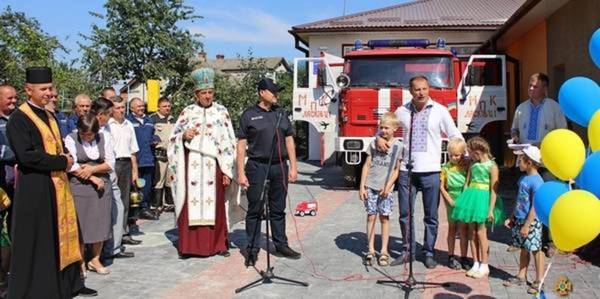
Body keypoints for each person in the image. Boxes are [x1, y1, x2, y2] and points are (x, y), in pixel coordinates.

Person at [6, 66, 96, 297]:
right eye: (43, 89)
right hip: (36, 187)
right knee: (41, 239)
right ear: (28, 90)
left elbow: (60, 145)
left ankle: (68, 284)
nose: (48, 93)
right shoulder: (19, 118)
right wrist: (61, 161)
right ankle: (40, 289)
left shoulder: (49, 115)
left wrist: (65, 156)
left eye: (50, 88)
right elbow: (26, 155)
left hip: (57, 184)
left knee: (61, 235)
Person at [378, 76, 463, 269]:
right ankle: (407, 250)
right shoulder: (403, 111)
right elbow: (386, 126)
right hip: (407, 170)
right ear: (410, 91)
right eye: (417, 89)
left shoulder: (440, 111)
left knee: (431, 215)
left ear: (429, 89)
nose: (421, 93)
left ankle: (429, 252)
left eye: (424, 88)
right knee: (405, 213)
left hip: (432, 171)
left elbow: (454, 134)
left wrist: (464, 156)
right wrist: (378, 138)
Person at [168, 67, 237, 258]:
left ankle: (219, 245)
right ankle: (188, 247)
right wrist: (183, 136)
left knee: (216, 206)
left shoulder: (221, 112)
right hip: (191, 168)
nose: (207, 96)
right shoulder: (187, 112)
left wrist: (227, 171)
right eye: (203, 93)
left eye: (210, 92)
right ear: (196, 94)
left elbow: (229, 142)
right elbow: (172, 139)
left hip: (214, 168)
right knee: (189, 205)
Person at [237, 77, 301, 267]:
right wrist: (241, 172)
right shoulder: (248, 115)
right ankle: (252, 249)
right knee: (255, 209)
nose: (276, 95)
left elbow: (289, 140)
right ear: (262, 92)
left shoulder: (281, 113)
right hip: (257, 167)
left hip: (279, 166)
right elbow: (241, 146)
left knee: (278, 209)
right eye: (273, 91)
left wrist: (294, 166)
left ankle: (281, 245)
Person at [510, 73, 566, 257]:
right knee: (525, 199)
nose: (531, 89)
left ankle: (550, 241)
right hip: (528, 163)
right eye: (530, 85)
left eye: (535, 86)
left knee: (549, 199)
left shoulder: (554, 108)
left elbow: (562, 134)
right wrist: (516, 137)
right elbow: (515, 128)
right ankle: (522, 237)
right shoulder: (521, 108)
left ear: (545, 89)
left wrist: (545, 144)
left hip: (547, 162)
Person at [65, 114, 115, 275]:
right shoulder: (70, 138)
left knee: (100, 222)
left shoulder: (105, 138)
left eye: (90, 135)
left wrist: (92, 169)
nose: (87, 137)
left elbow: (110, 163)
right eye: (84, 134)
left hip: (102, 186)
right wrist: (92, 177)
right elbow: (72, 165)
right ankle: (80, 260)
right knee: (82, 223)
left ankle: (95, 258)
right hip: (80, 186)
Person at [451, 137, 504, 279]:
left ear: (478, 152)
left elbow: (494, 189)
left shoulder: (492, 166)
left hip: (483, 200)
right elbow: (467, 183)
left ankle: (485, 265)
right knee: (471, 232)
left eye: (470, 152)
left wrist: (491, 209)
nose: (469, 155)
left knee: (481, 233)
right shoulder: (473, 164)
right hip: (471, 199)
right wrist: (464, 201)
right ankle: (475, 262)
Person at [92, 98, 134, 260]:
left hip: (111, 171)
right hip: (99, 174)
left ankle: (113, 248)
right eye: (109, 114)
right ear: (100, 114)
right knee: (102, 214)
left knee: (118, 208)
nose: (111, 118)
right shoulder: (92, 129)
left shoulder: (106, 128)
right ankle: (98, 251)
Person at [359, 112, 402, 267]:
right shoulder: (373, 144)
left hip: (385, 189)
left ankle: (384, 251)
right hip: (370, 185)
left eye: (387, 128)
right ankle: (370, 249)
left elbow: (397, 170)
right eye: (381, 127)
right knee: (371, 217)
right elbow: (367, 165)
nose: (384, 131)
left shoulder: (398, 146)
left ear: (395, 128)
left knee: (384, 218)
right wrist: (362, 186)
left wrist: (388, 186)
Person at [502, 145, 545, 295]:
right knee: (523, 247)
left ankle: (539, 279)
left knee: (535, 249)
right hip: (520, 219)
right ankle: (521, 275)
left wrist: (527, 225)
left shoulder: (537, 182)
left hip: (531, 221)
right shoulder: (523, 178)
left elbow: (535, 206)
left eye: (521, 159)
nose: (518, 162)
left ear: (530, 162)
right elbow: (520, 200)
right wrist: (512, 216)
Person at [108, 97, 143, 246]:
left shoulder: (128, 124)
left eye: (123, 107)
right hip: (112, 164)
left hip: (126, 164)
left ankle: (123, 233)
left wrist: (135, 172)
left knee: (125, 200)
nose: (121, 110)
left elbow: (133, 151)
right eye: (117, 108)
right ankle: (111, 236)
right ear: (111, 109)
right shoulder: (107, 126)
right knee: (112, 200)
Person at [440, 138, 469, 270]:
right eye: (451, 155)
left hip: (464, 198)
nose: (453, 158)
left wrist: (464, 198)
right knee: (452, 228)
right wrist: (449, 200)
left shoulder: (466, 167)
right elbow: (441, 187)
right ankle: (451, 255)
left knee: (463, 229)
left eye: (457, 155)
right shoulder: (445, 168)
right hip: (451, 198)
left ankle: (464, 257)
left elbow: (467, 184)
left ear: (463, 154)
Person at [127, 97, 159, 220]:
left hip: (148, 159)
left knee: (146, 185)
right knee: (135, 186)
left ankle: (145, 207)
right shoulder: (128, 121)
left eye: (142, 106)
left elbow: (152, 134)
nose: (141, 108)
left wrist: (155, 138)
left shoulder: (149, 120)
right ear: (131, 108)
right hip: (136, 160)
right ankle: (135, 209)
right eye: (138, 106)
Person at [149, 97, 175, 213]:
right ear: (158, 107)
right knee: (158, 180)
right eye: (164, 106)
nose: (167, 108)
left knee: (170, 180)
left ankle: (169, 204)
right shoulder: (152, 119)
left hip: (171, 154)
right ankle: (156, 205)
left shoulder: (173, 119)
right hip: (159, 154)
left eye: (169, 106)